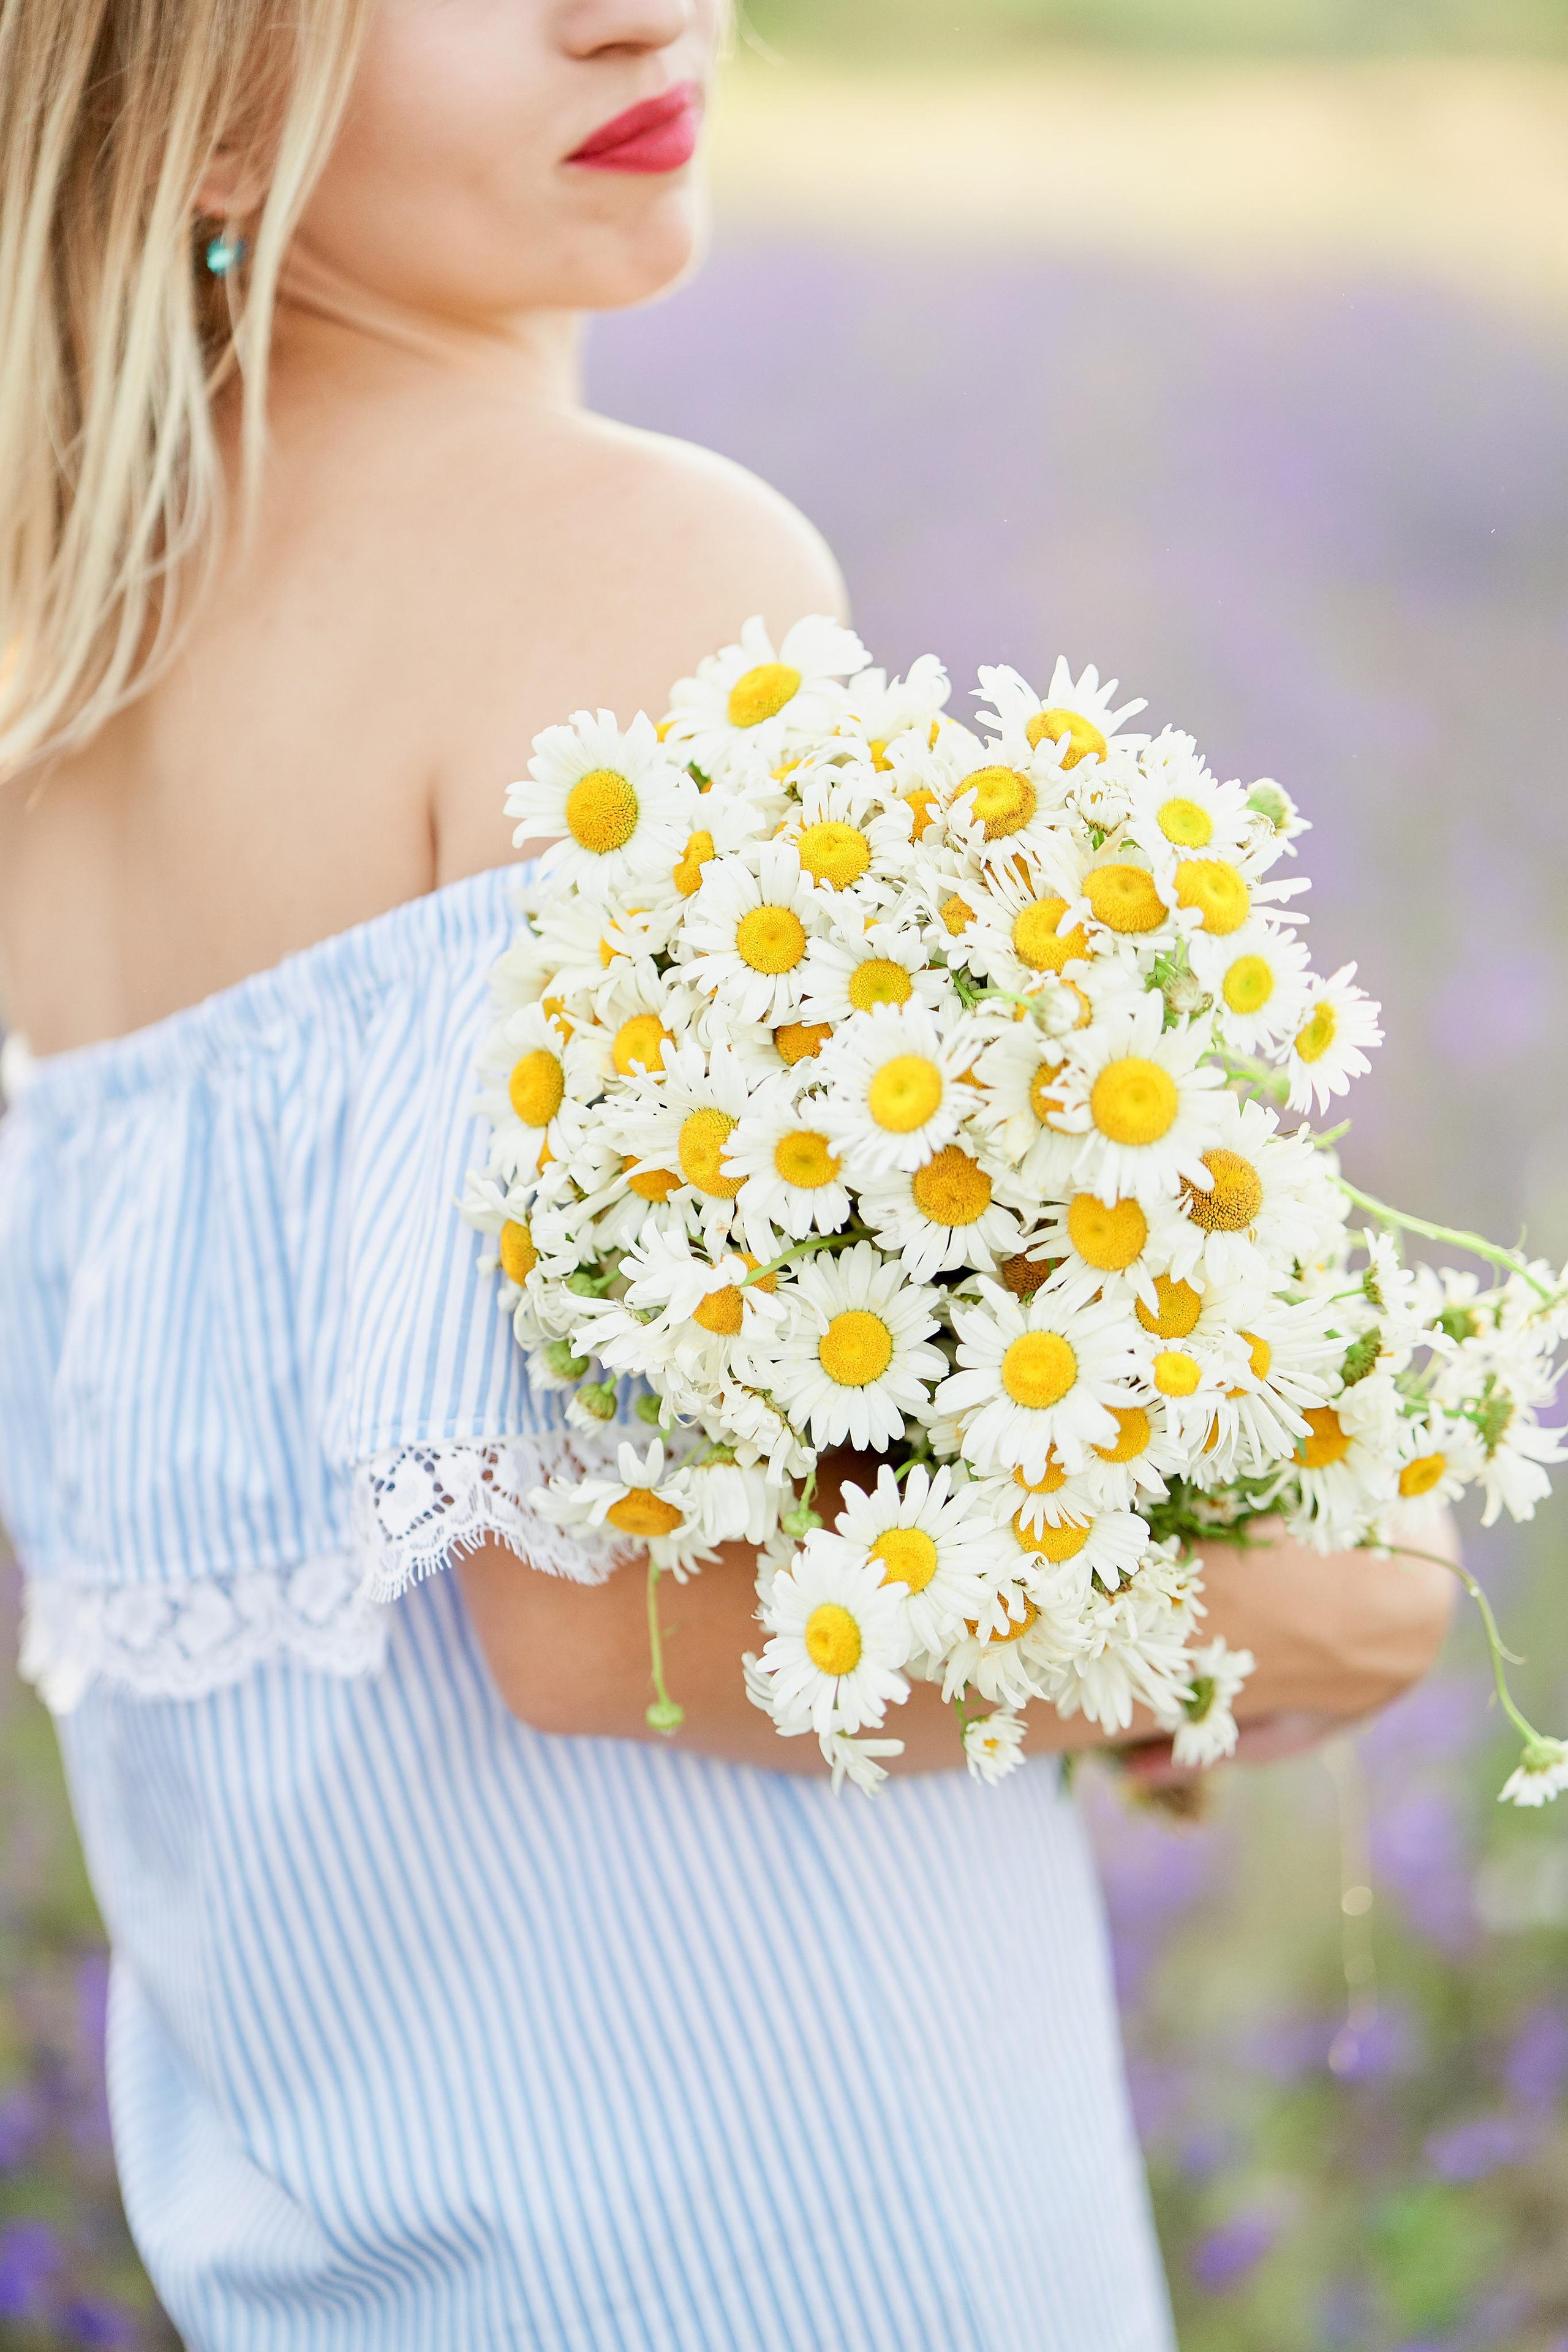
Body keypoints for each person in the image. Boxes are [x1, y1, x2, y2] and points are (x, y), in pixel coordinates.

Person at [0, 2, 1454, 2344]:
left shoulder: (61, 697)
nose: (639, 9)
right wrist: (1286, 1612)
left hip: (329, 2259)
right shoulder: (639, 576)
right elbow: (596, 1619)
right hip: (789, 2232)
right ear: (189, 84)